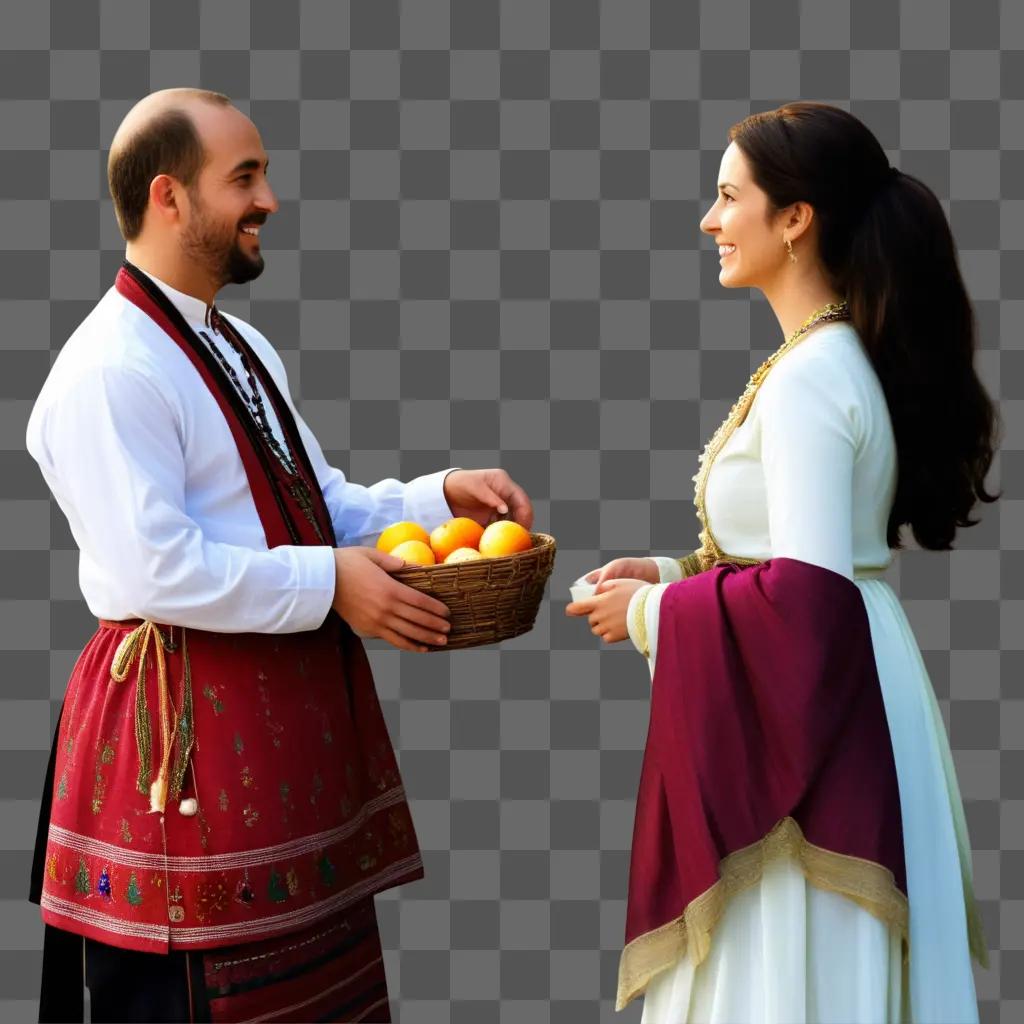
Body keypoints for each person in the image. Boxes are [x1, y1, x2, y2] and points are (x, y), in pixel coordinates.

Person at [26, 87, 533, 1023]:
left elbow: (313, 503)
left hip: (275, 737)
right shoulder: (110, 369)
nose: (269, 199)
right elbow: (152, 570)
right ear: (169, 197)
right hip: (182, 753)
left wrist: (433, 496)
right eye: (244, 178)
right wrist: (331, 582)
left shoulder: (235, 341)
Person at [567, 102, 998, 1022]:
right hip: (853, 678)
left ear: (795, 217)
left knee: (791, 979)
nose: (709, 220)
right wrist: (670, 574)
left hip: (823, 715)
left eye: (728, 197)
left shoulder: (812, 376)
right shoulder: (828, 359)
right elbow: (795, 558)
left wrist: (649, 618)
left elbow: (805, 602)